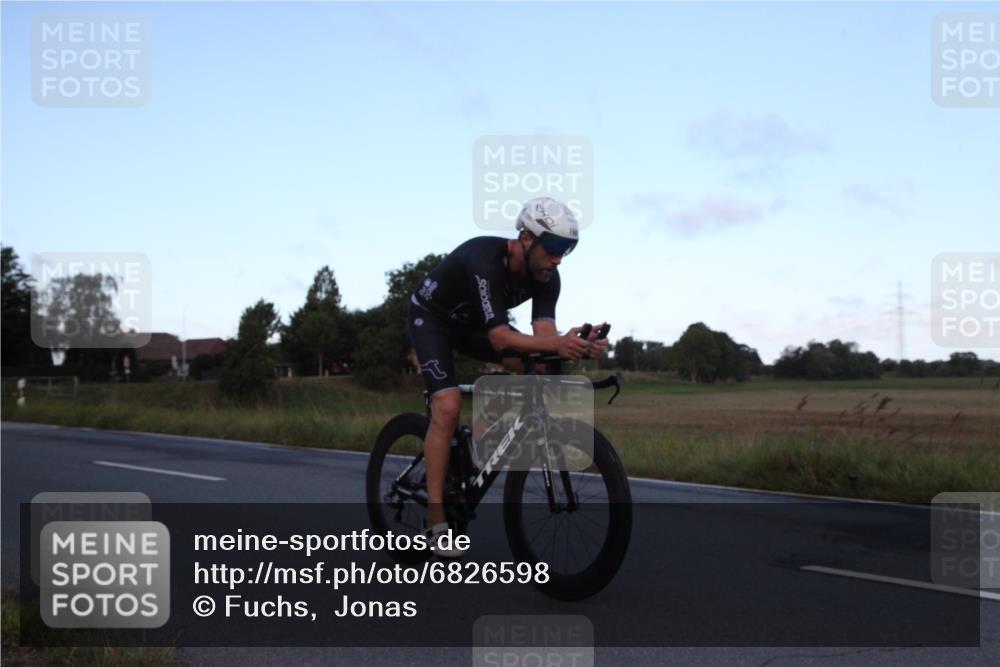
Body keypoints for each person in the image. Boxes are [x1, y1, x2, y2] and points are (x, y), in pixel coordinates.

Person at [407, 197, 609, 557]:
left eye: (568, 249)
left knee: (538, 364)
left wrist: (576, 345)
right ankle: (434, 517)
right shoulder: (485, 259)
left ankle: (484, 433)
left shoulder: (548, 276)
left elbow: (543, 337)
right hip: (433, 320)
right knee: (448, 405)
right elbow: (500, 338)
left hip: (473, 328)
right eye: (554, 247)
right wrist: (555, 343)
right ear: (526, 238)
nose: (559, 258)